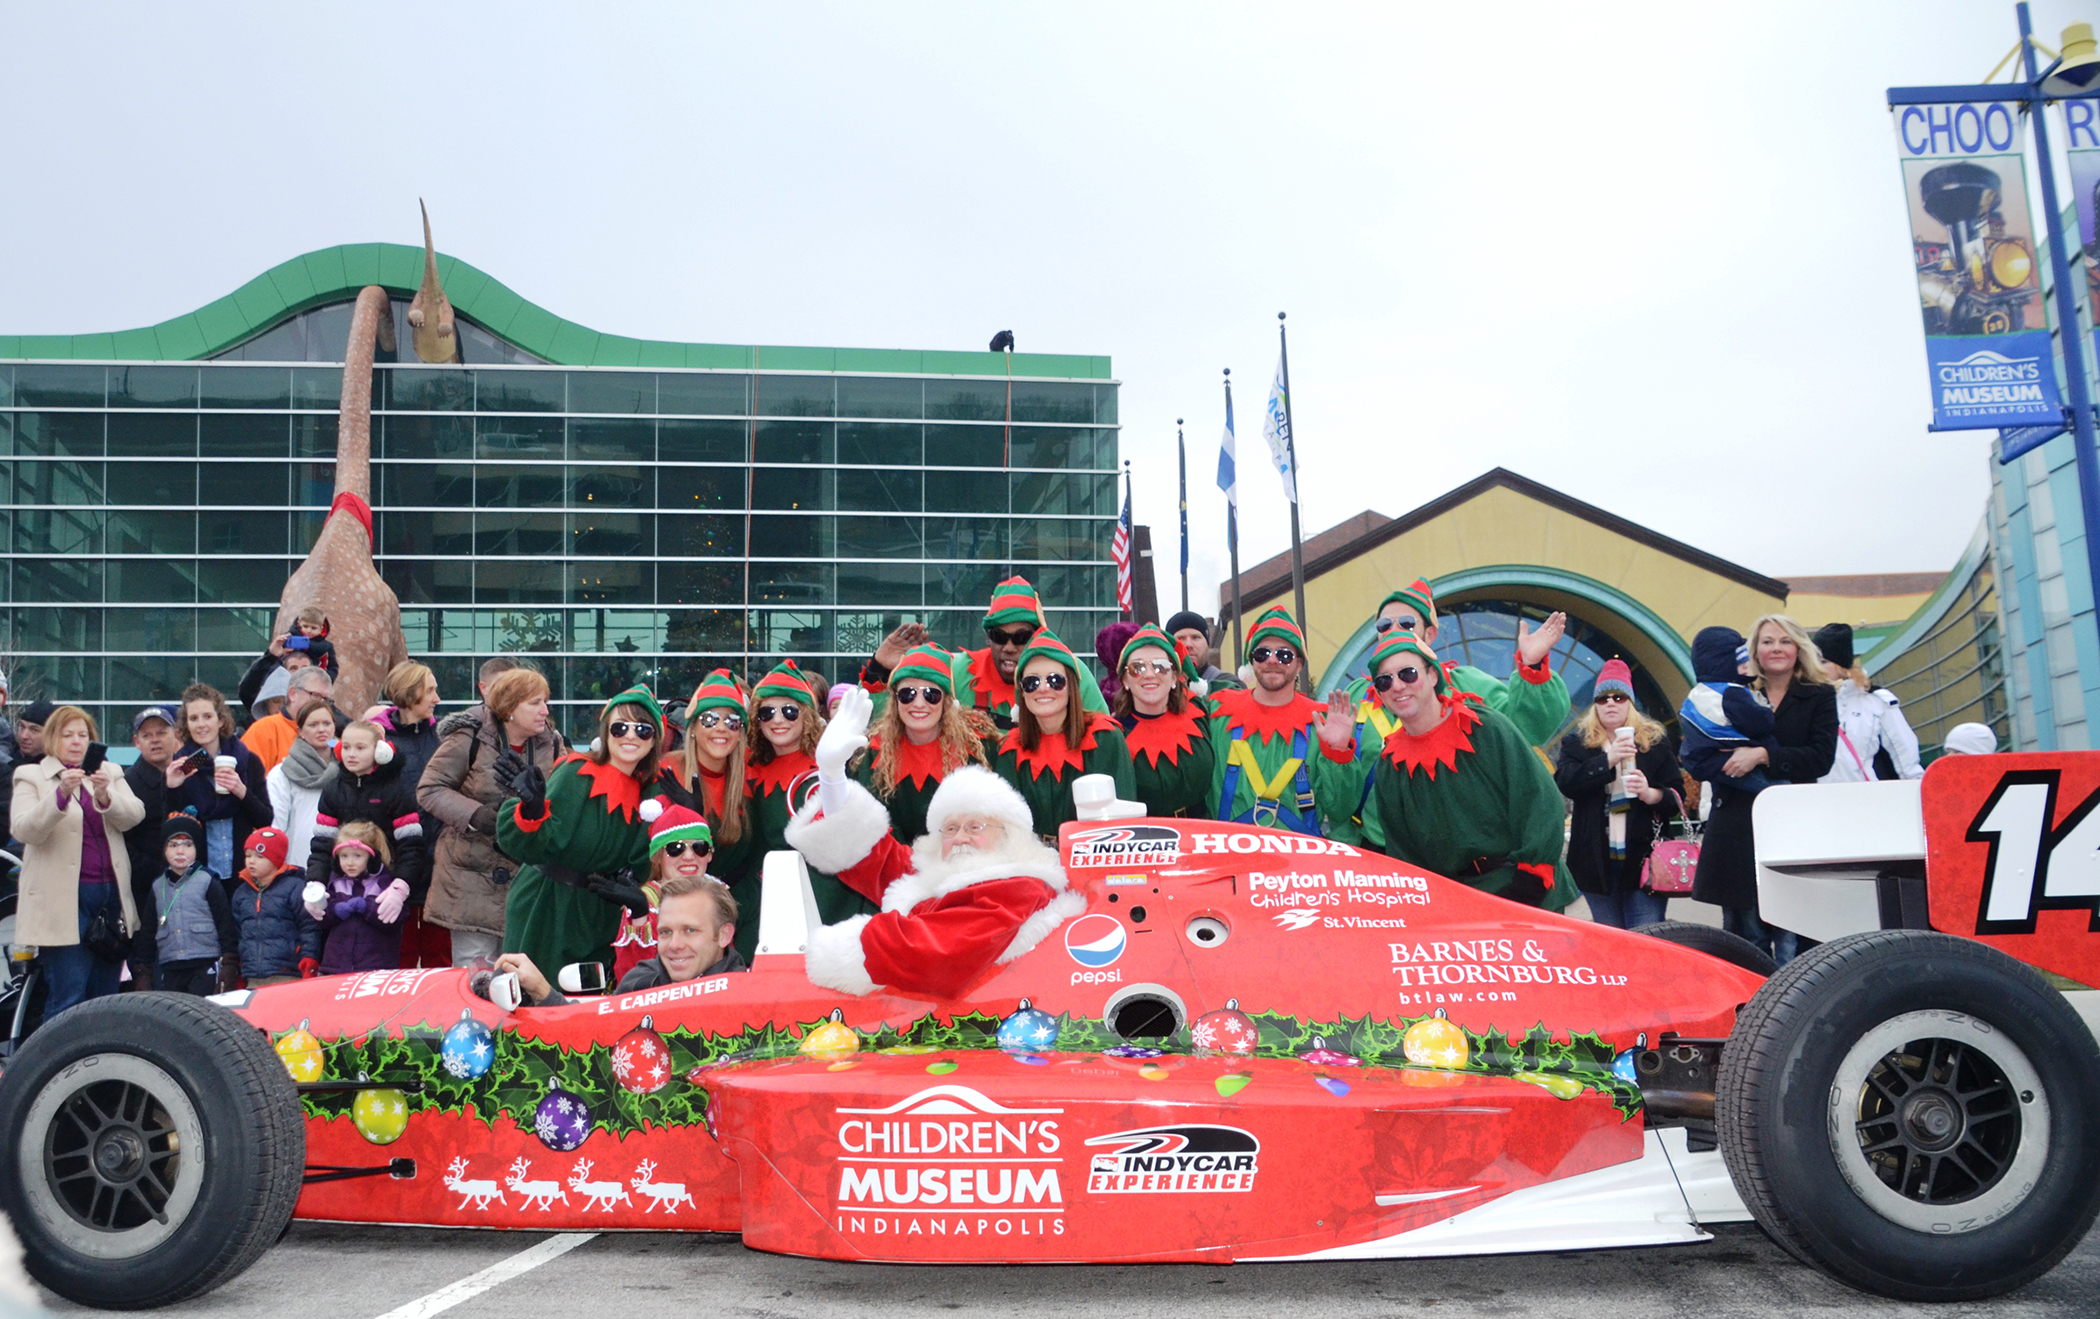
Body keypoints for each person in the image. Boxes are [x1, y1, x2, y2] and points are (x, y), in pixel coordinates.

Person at [787, 694, 1087, 999]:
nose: (960, 838)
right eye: (951, 828)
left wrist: (833, 953)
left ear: (1010, 835)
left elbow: (937, 951)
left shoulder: (1019, 887)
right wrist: (831, 776)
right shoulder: (938, 876)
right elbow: (873, 858)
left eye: (975, 827)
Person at [1364, 634, 1576, 909]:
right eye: (1385, 681)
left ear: (1432, 676)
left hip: (1537, 895)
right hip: (1462, 908)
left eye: (1408, 673)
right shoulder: (1391, 766)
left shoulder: (1486, 728)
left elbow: (1540, 802)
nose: (1398, 686)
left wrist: (1531, 883)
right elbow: (1405, 854)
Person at [498, 686, 667, 985]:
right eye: (620, 727)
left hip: (599, 913)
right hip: (547, 906)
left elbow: (642, 862)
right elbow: (539, 844)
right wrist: (533, 811)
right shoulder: (578, 771)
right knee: (534, 995)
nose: (630, 736)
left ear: (654, 740)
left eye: (643, 730)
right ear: (606, 732)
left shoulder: (649, 792)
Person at [1692, 614, 1837, 963]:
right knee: (1745, 940)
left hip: (1793, 827)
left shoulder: (1818, 696)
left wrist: (1763, 756)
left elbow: (1821, 758)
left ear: (1798, 648)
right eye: (1767, 641)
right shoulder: (1731, 690)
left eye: (1785, 641)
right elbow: (1699, 753)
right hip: (1738, 828)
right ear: (1753, 649)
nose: (1776, 649)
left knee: (1799, 938)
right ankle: (1751, 1011)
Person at [419, 666, 565, 968]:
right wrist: (477, 815)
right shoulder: (469, 736)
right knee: (475, 973)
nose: (545, 710)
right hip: (471, 877)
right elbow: (430, 788)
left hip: (525, 877)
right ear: (510, 707)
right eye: (535, 702)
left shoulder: (551, 742)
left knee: (518, 972)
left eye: (545, 702)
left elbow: (564, 799)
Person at [12, 705, 147, 1015]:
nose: (76, 741)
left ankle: (100, 1060)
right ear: (51, 739)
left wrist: (105, 796)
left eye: (83, 735)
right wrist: (59, 795)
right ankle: (57, 1062)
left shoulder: (109, 771)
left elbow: (134, 816)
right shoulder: (31, 775)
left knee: (105, 998)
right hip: (64, 901)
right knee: (69, 996)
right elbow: (24, 829)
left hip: (110, 896)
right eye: (67, 735)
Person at [1345, 581, 1572, 748]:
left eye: (1407, 623)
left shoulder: (1468, 684)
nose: (1393, 631)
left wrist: (1532, 667)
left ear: (1431, 634)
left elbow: (1524, 730)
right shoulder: (1355, 696)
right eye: (1384, 625)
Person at [860, 577, 1107, 729]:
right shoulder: (957, 671)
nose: (1009, 647)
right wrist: (880, 669)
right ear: (988, 638)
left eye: (1021, 638)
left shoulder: (1069, 672)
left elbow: (1103, 734)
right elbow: (878, 720)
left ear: (1038, 636)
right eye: (1000, 637)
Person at [1201, 607, 1359, 835]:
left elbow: (1341, 811)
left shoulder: (1322, 724)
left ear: (1299, 665)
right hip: (1231, 856)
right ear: (1252, 661)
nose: (1272, 661)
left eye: (1284, 655)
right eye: (1262, 654)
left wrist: (1338, 754)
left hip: (1297, 864)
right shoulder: (1218, 713)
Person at [1554, 659, 1683, 928]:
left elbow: (1678, 796)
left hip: (1644, 859)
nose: (1610, 703)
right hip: (1595, 861)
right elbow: (1566, 783)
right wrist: (1607, 760)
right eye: (1602, 698)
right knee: (1610, 942)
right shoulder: (1577, 743)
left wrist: (1651, 794)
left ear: (1630, 703)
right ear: (1595, 706)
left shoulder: (1654, 742)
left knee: (1647, 935)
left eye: (1618, 696)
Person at [498, 870, 746, 1006]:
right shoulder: (641, 981)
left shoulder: (747, 999)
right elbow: (595, 1034)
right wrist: (542, 990)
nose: (675, 945)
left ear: (724, 935)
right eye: (665, 932)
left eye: (690, 930)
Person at [992, 630, 1136, 839]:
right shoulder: (1010, 750)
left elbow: (1124, 820)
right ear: (1022, 693)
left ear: (1071, 688)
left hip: (1093, 857)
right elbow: (1004, 828)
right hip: (1031, 862)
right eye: (1031, 682)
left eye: (1055, 680)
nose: (1042, 689)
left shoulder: (1105, 737)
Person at [853, 644, 998, 844]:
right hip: (898, 866)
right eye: (907, 694)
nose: (919, 704)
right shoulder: (875, 754)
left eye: (931, 694)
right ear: (895, 701)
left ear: (945, 702)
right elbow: (871, 825)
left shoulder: (978, 749)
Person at [368, 661, 448, 968]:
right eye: (430, 690)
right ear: (409, 693)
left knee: (439, 959)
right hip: (393, 864)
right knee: (395, 959)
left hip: (440, 866)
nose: (437, 698)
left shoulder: (444, 737)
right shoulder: (379, 740)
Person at [304, 719, 425, 903]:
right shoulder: (333, 790)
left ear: (380, 751)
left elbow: (411, 845)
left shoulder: (397, 789)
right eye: (346, 747)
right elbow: (322, 844)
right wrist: (316, 882)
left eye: (360, 748)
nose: (351, 754)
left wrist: (401, 885)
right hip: (341, 887)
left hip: (385, 886)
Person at [168, 683, 273, 879]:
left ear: (220, 721)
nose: (201, 724)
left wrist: (242, 792)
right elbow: (173, 828)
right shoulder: (183, 766)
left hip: (243, 872)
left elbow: (265, 820)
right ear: (186, 725)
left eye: (207, 716)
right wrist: (172, 788)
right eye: (193, 718)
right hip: (199, 874)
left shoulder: (247, 761)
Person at [1113, 624, 1216, 818]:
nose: (1149, 674)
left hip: (1200, 835)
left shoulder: (1199, 713)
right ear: (1125, 680)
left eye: (1160, 666)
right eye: (1137, 668)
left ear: (1174, 677)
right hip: (1145, 840)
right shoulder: (1114, 735)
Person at [1812, 623, 1923, 783]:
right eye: (1811, 661)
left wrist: (1918, 792)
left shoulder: (1875, 702)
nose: (1815, 668)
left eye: (1823, 661)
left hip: (1865, 799)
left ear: (1841, 665)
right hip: (1816, 800)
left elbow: (1905, 755)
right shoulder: (1805, 701)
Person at [1678, 627, 1778, 797]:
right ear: (1724, 662)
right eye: (1740, 659)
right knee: (1780, 791)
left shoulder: (1697, 693)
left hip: (1703, 761)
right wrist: (1767, 711)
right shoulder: (1731, 693)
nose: (1746, 664)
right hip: (1730, 760)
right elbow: (1759, 725)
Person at [148, 811, 238, 995]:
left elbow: (225, 924)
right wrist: (143, 969)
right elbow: (148, 929)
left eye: (187, 845)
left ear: (197, 848)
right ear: (164, 850)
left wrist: (229, 961)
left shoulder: (208, 881)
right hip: (170, 964)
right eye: (173, 845)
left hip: (205, 961)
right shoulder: (158, 887)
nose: (180, 851)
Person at [120, 704, 180, 982]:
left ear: (176, 735)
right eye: (147, 735)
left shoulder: (190, 769)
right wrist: (156, 872)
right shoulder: (126, 783)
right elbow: (121, 842)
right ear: (136, 742)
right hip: (147, 894)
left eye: (161, 732)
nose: (155, 740)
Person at [305, 820, 408, 975]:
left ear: (372, 857)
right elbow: (322, 921)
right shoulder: (334, 883)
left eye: (357, 856)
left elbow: (396, 920)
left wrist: (368, 907)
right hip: (335, 966)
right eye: (344, 856)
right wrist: (332, 910)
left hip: (375, 967)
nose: (350, 863)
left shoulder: (385, 884)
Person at [231, 826, 320, 985]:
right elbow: (238, 933)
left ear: (276, 859)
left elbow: (309, 927)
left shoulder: (295, 887)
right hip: (252, 975)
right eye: (248, 855)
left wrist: (309, 958)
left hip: (288, 973)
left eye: (259, 857)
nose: (251, 861)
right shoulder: (241, 893)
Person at [267, 699, 338, 862]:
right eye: (313, 725)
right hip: (297, 865)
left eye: (327, 723)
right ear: (300, 731)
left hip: (344, 865)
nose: (321, 730)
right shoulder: (282, 774)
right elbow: (276, 825)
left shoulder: (349, 769)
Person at [236, 605, 336, 710]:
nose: (299, 674)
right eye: (294, 668)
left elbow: (332, 669)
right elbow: (248, 690)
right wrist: (271, 656)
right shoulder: (271, 704)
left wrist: (323, 685)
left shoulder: (325, 713)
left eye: (305, 669)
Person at [1166, 610, 1242, 692]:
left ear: (1207, 645)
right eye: (1180, 638)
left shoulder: (1228, 685)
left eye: (1195, 637)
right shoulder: (1158, 686)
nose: (1188, 644)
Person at [241, 667, 297, 771]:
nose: (281, 707)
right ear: (266, 703)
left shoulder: (307, 730)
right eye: (276, 701)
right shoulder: (258, 731)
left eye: (286, 702)